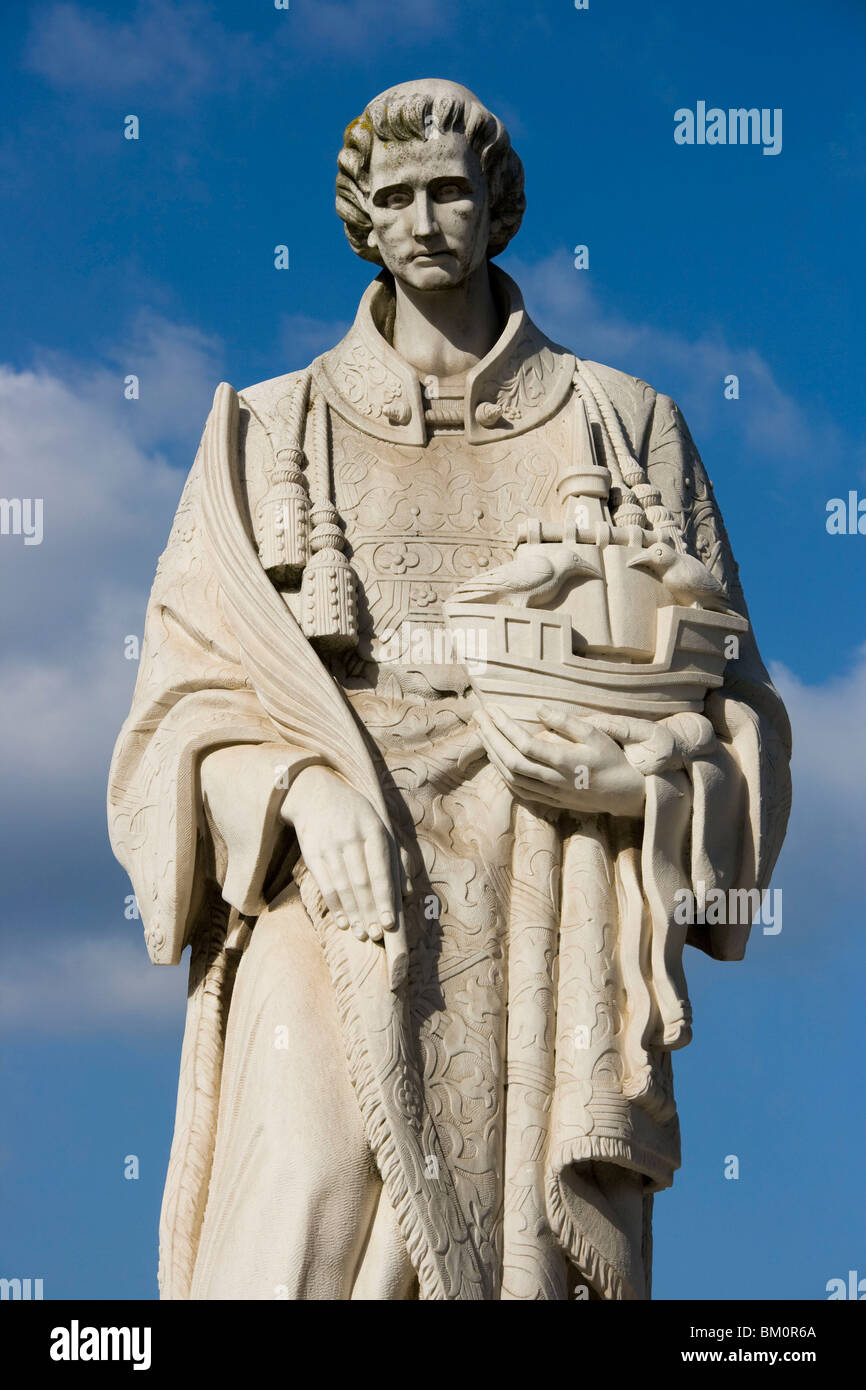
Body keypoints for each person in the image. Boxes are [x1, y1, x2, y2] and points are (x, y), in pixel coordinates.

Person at [108, 79, 791, 1300]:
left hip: (555, 883)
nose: (425, 220)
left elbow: (735, 701)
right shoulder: (268, 433)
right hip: (333, 883)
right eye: (397, 198)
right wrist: (299, 792)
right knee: (306, 1187)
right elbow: (172, 716)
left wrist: (631, 781)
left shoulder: (624, 425)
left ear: (495, 209)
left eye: (450, 193)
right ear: (361, 221)